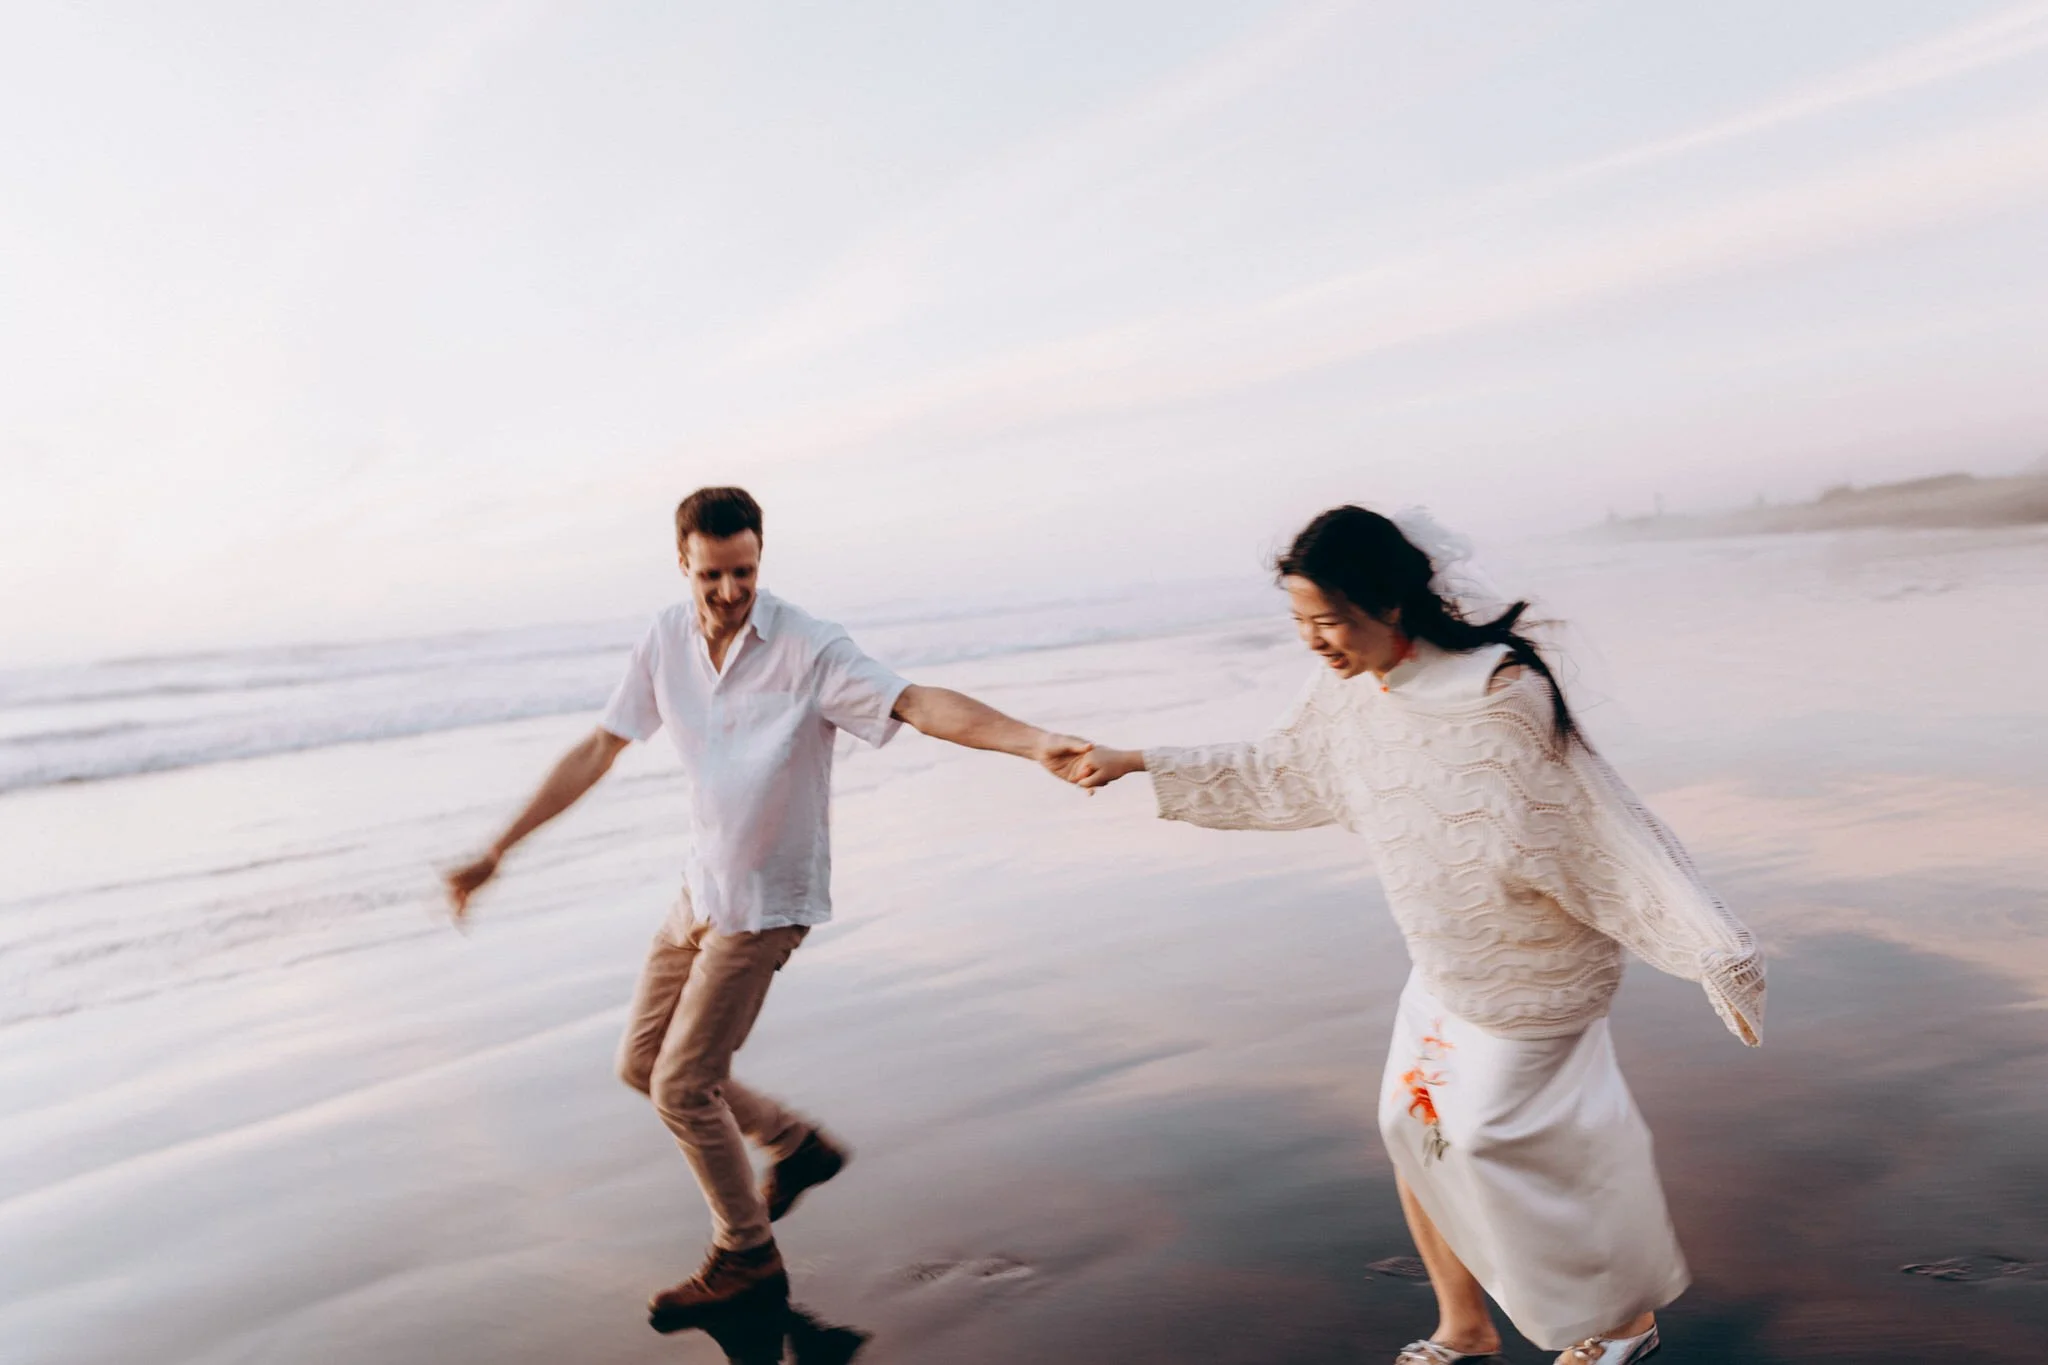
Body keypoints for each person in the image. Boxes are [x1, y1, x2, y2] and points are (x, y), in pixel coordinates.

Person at [1068, 506, 1764, 1365]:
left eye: (1330, 620)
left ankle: (1623, 1323)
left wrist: (1710, 941)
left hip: (1535, 973)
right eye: (1300, 621)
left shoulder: (1499, 691)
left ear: (1389, 603)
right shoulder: (1348, 690)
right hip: (1443, 968)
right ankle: (1463, 1328)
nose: (1315, 640)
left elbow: (1599, 821)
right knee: (1415, 1129)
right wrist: (1137, 760)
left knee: (1496, 1147)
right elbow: (1280, 770)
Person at [442, 486, 1092, 1327]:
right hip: (700, 889)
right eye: (711, 574)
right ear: (683, 563)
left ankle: (745, 1255)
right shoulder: (664, 639)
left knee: (682, 1085)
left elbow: (916, 702)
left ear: (759, 558)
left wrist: (1033, 741)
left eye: (743, 572)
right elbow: (600, 747)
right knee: (642, 1064)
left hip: (764, 903)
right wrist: (499, 848)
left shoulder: (809, 646)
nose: (728, 591)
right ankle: (794, 1144)